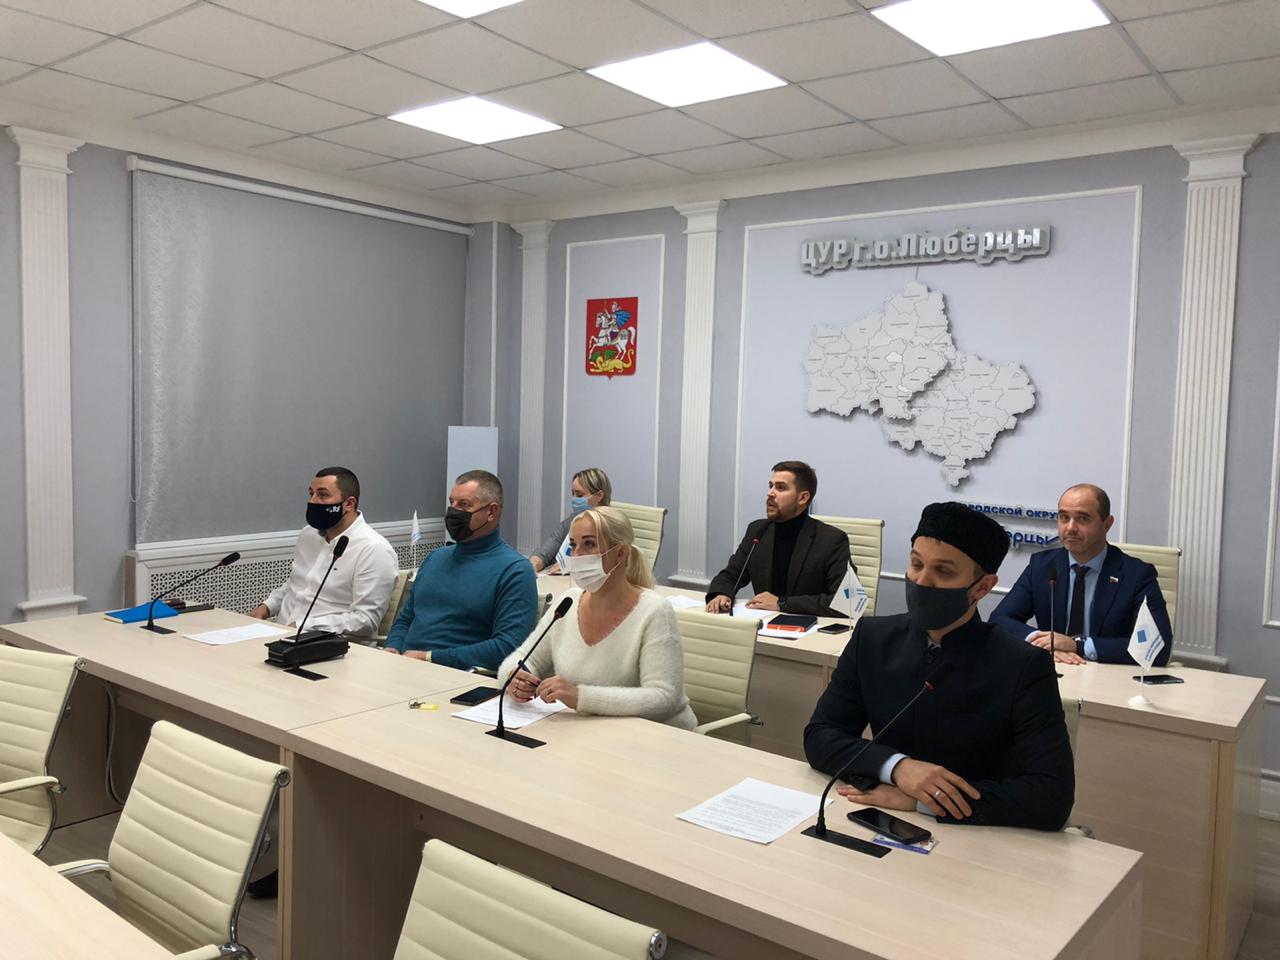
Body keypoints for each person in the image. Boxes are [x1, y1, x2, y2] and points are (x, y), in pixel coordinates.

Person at [804, 501, 1074, 831]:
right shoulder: (872, 638)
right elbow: (820, 736)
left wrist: (924, 801)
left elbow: (1051, 796)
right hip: (878, 820)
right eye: (916, 564)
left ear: (982, 587)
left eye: (943, 572)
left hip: (980, 838)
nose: (922, 581)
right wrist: (898, 768)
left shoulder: (1023, 665)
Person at [499, 506, 697, 730]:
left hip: (658, 736)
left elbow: (664, 697)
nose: (576, 555)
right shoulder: (569, 602)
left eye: (589, 544)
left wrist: (580, 697)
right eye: (573, 545)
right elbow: (524, 659)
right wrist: (514, 678)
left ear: (620, 554)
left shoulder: (654, 611)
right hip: (590, 731)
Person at [991, 483, 1173, 666]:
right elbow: (999, 620)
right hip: (1054, 669)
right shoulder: (1042, 566)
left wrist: (1078, 645)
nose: (1070, 528)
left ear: (1107, 524)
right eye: (1064, 517)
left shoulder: (1137, 575)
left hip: (1107, 673)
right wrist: (1044, 643)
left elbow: (1158, 648)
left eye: (1082, 518)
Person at [384, 470, 537, 670]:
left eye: (464, 505)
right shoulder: (435, 558)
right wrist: (393, 648)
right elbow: (406, 618)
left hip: (456, 676)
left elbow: (507, 647)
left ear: (491, 512)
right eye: (452, 503)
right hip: (406, 666)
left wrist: (430, 658)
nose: (453, 511)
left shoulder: (515, 570)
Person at [249, 466, 397, 638]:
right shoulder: (308, 535)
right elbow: (297, 584)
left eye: (323, 495)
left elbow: (365, 620)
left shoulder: (374, 549)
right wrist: (266, 607)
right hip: (280, 634)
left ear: (349, 503)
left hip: (328, 644)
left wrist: (304, 626)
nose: (313, 501)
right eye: (311, 493)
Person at [705, 460, 849, 615]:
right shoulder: (758, 530)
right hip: (763, 623)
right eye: (770, 486)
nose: (770, 493)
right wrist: (722, 593)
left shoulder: (832, 540)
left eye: (780, 488)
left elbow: (847, 602)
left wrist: (782, 603)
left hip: (808, 626)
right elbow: (731, 575)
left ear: (802, 498)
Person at [529, 467, 612, 573]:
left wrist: (570, 565)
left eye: (579, 495)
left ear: (599, 496)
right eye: (573, 494)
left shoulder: (611, 526)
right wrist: (533, 564)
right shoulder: (572, 520)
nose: (574, 499)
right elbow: (546, 551)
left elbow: (608, 563)